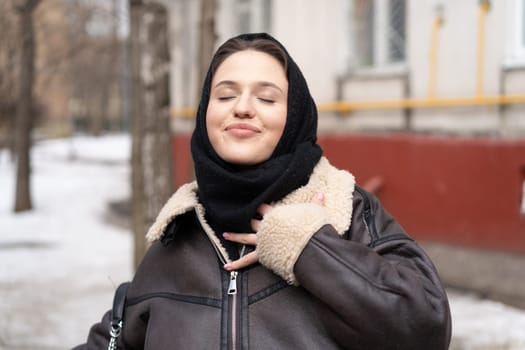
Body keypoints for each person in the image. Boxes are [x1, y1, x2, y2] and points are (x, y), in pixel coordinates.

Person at [75, 33, 451, 350]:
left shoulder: (347, 211)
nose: (242, 108)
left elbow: (426, 327)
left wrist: (308, 246)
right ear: (206, 112)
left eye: (266, 98)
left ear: (295, 115)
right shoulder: (178, 230)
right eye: (225, 96)